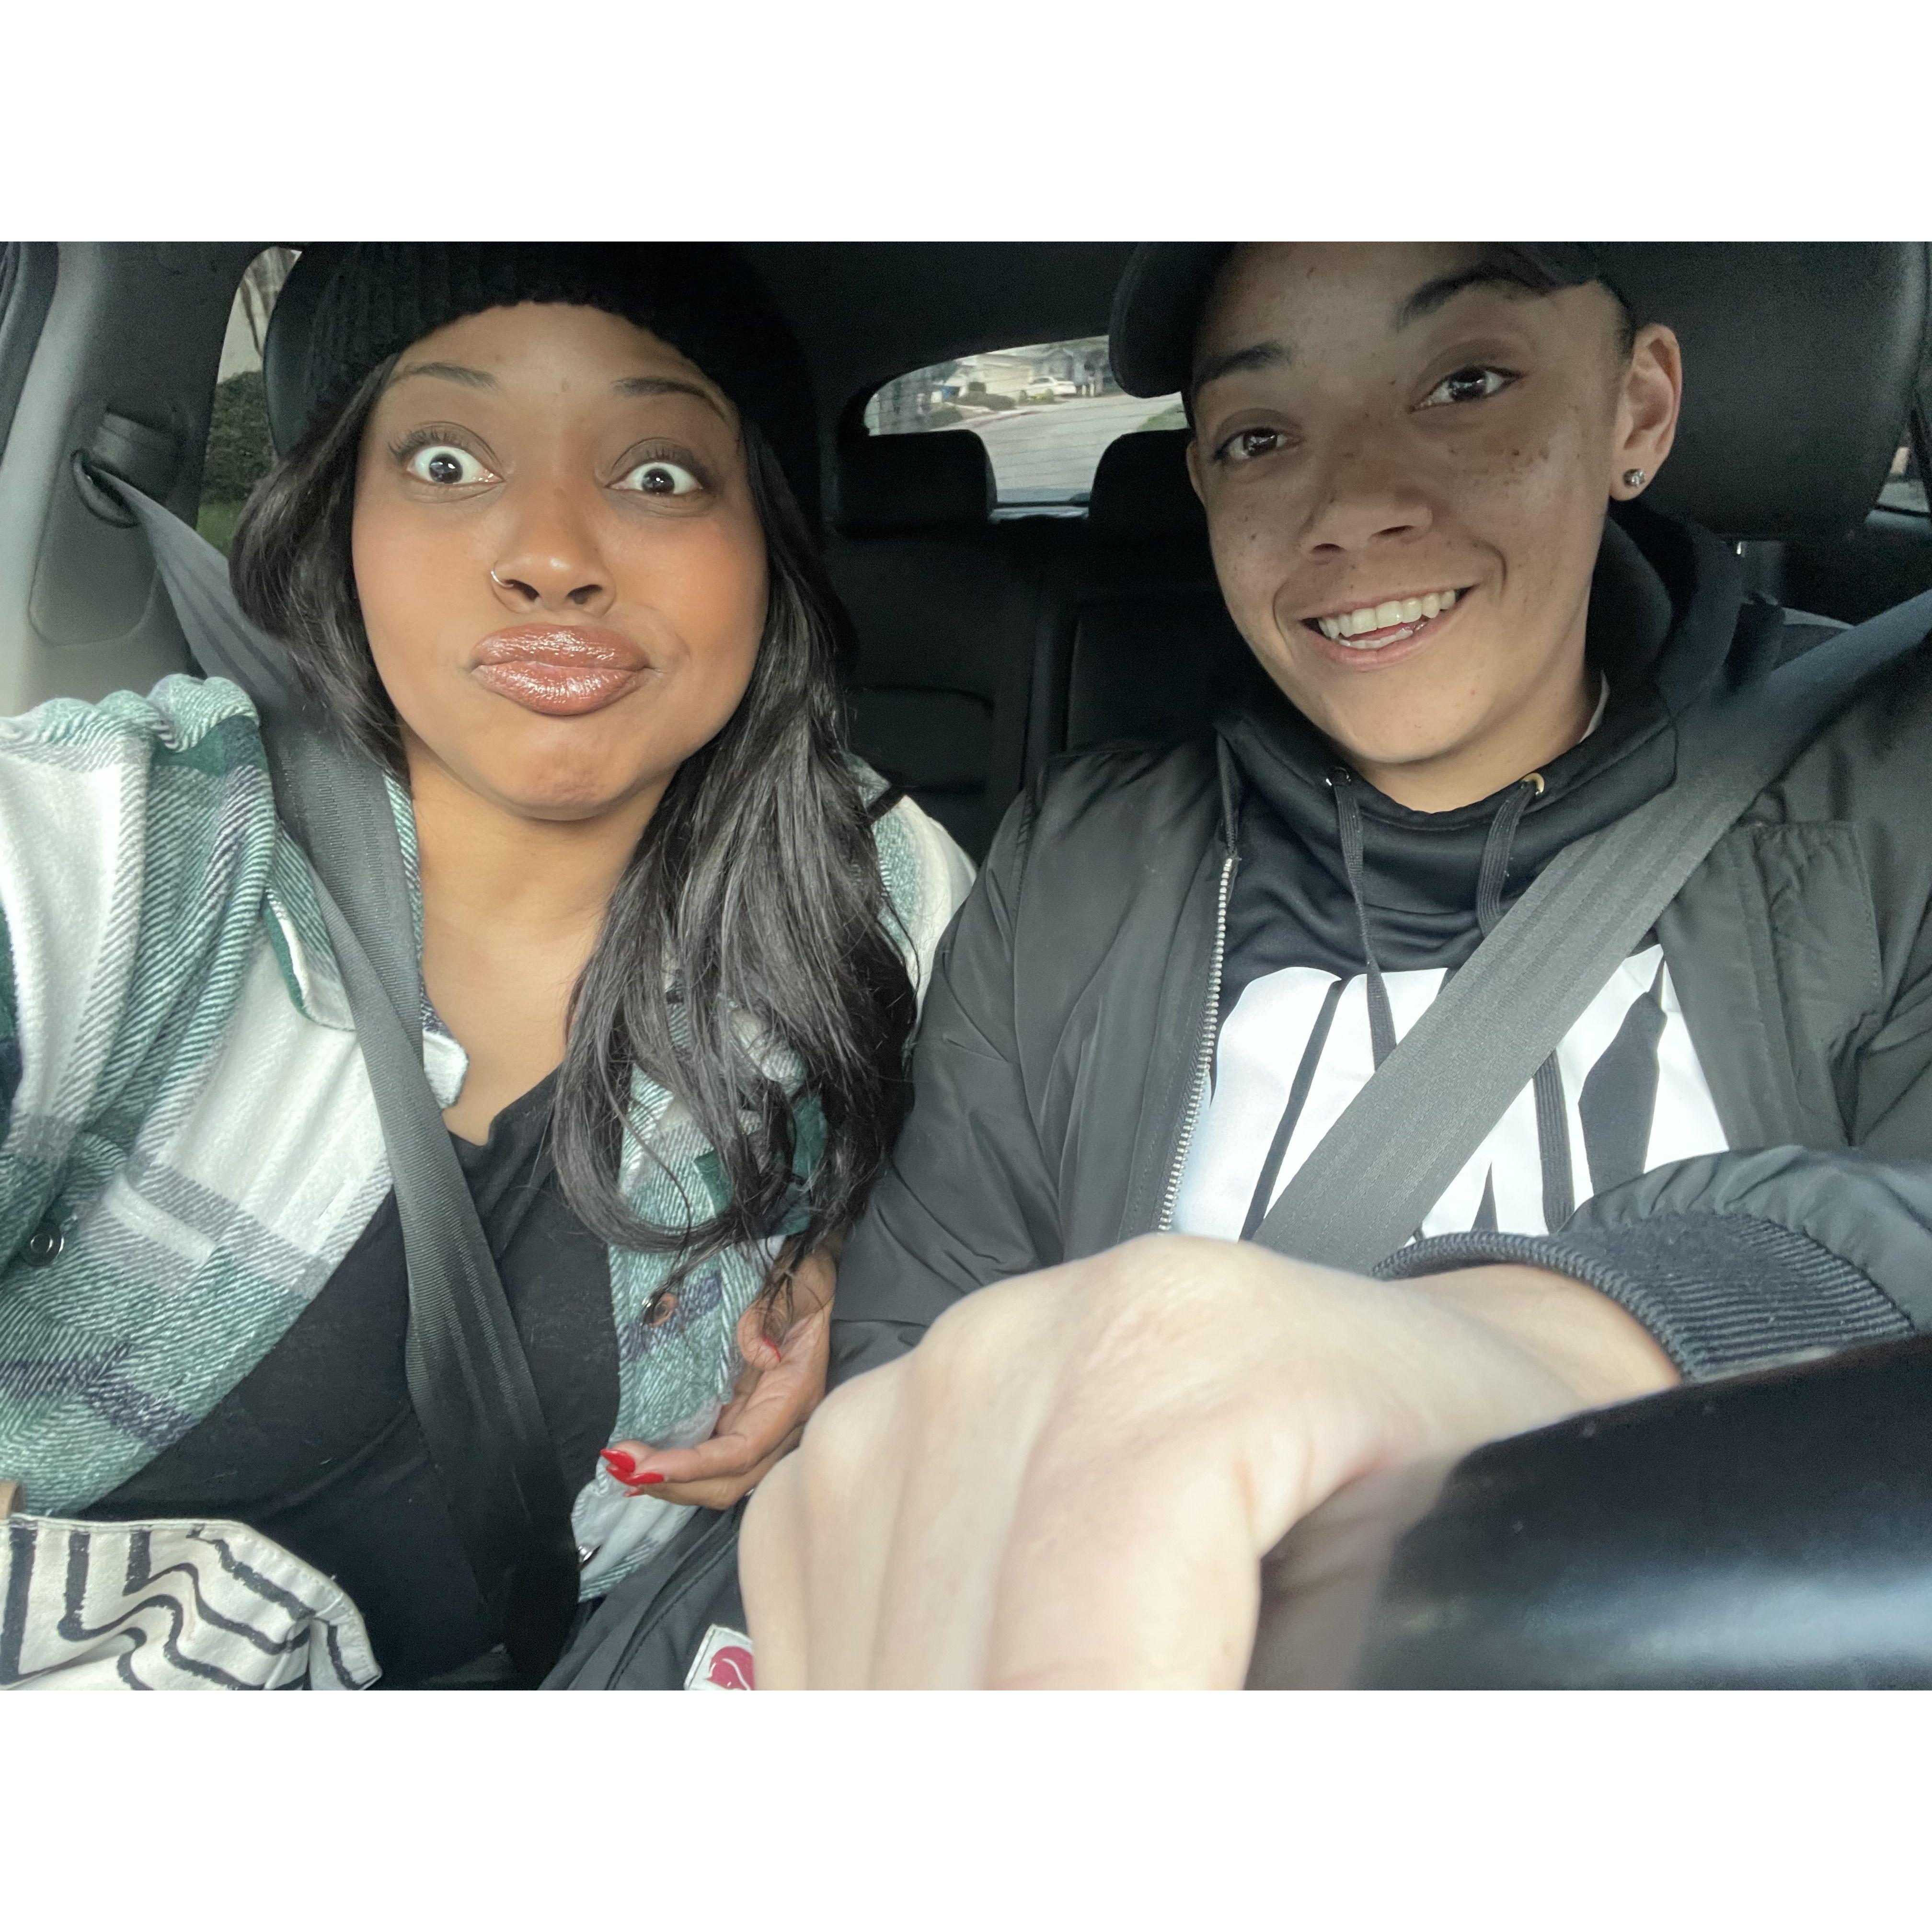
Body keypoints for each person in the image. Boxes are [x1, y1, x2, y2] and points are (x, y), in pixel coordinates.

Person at [740, 241, 1932, 1687]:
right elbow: (924, 1339)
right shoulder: (1083, 861)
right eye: (1260, 436)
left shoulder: (1891, 790)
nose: (1355, 504)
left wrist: (1563, 1340)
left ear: (1638, 409)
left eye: (1467, 384)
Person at [0, 242, 971, 1689]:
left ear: (767, 545)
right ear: (337, 521)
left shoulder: (883, 889)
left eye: (660, 475)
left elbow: (975, 1236)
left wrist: (855, 1287)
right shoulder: (121, 850)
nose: (553, 555)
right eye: (447, 462)